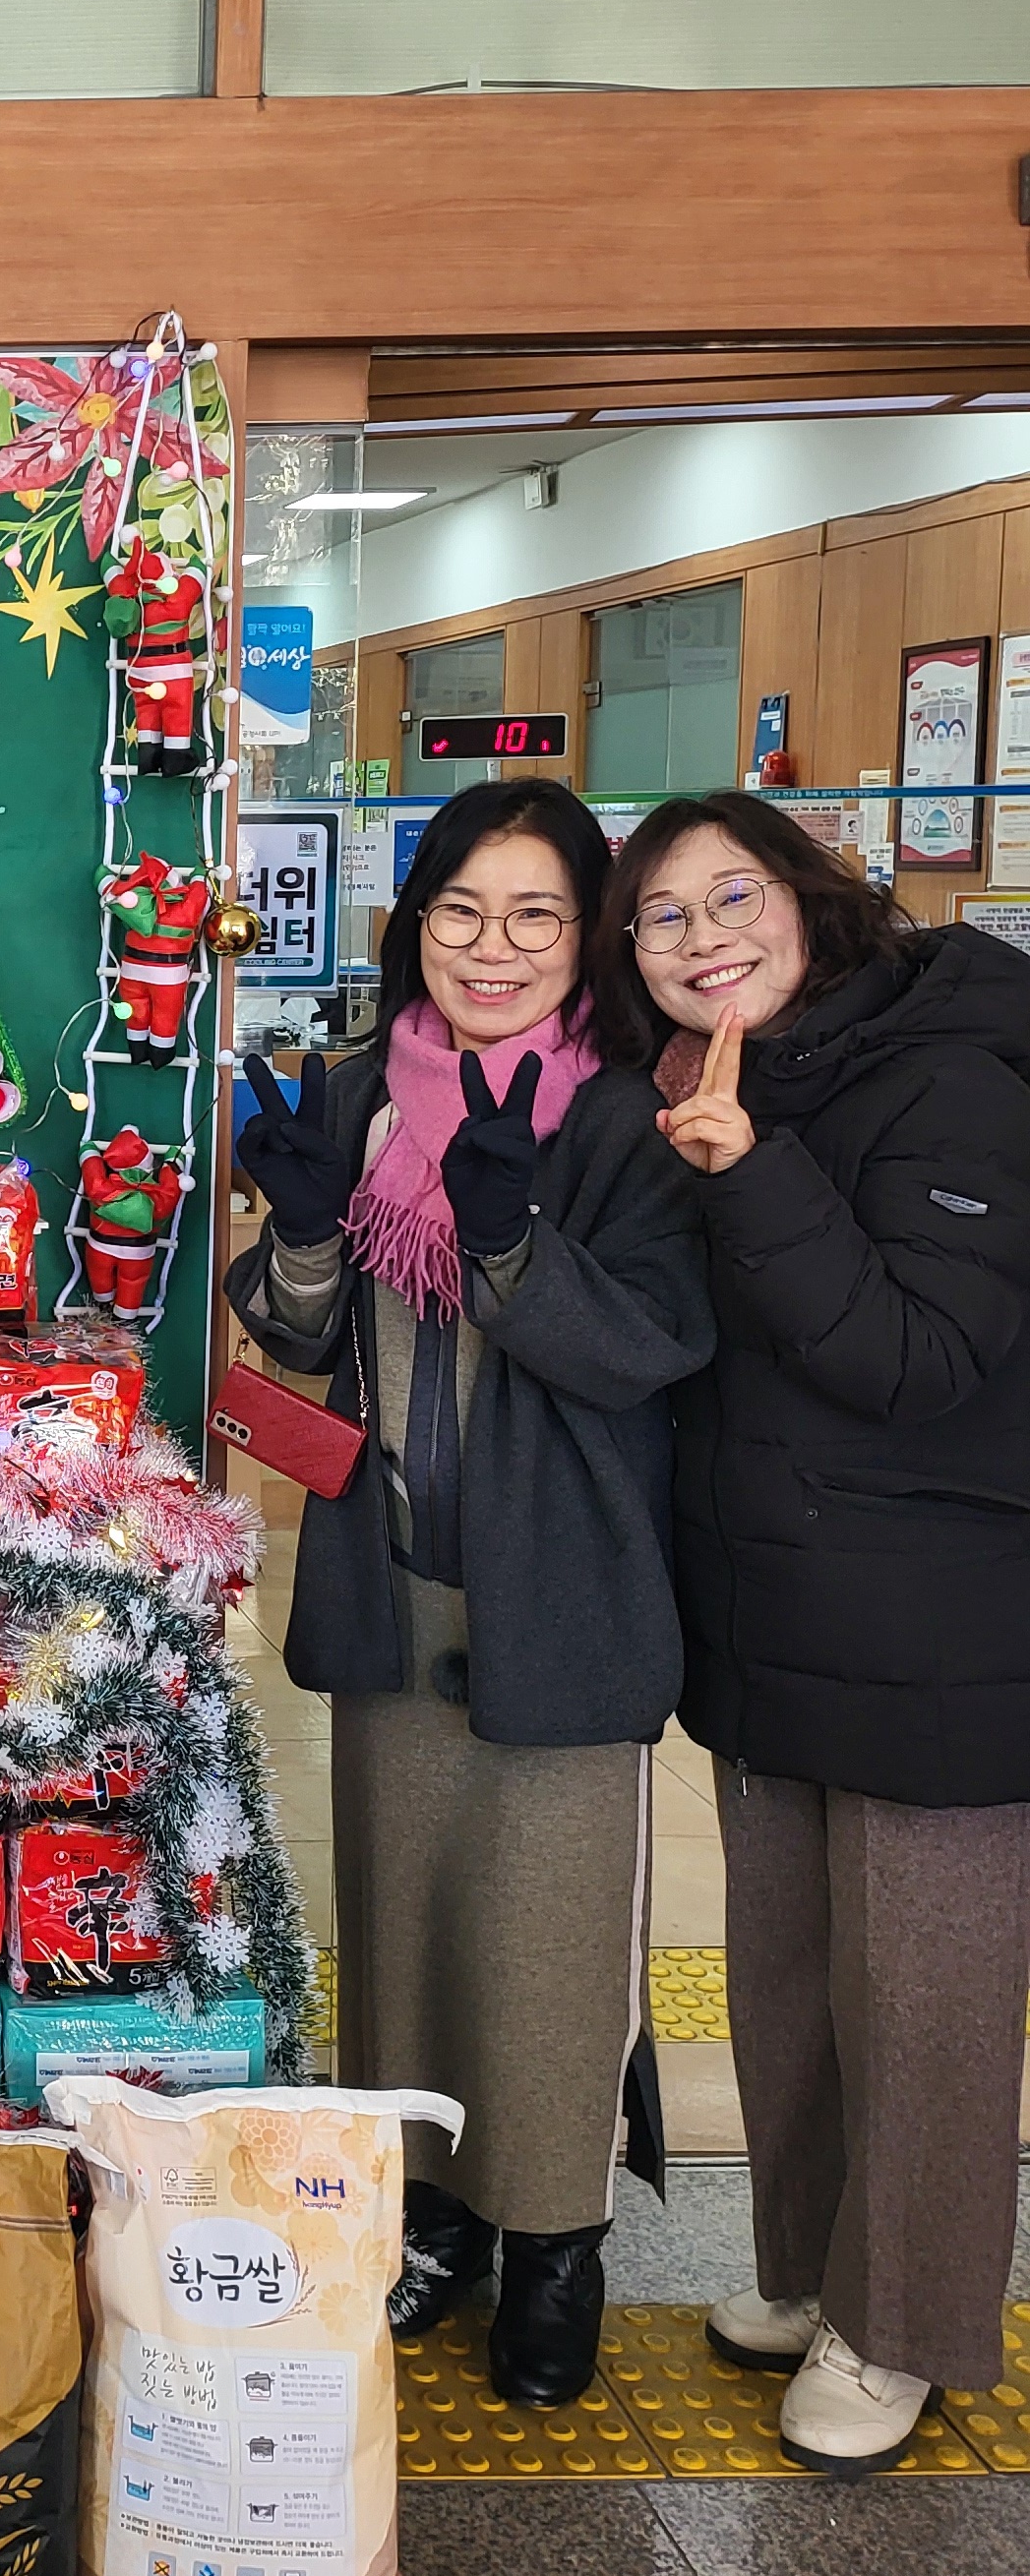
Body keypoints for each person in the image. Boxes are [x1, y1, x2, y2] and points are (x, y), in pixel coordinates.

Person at [229, 779, 712, 2401]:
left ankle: (556, 2240)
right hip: (392, 1569)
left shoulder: (630, 1116)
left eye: (534, 918)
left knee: (553, 1937)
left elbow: (650, 1348)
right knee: (409, 1912)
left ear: (586, 943)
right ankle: (429, 2209)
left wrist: (508, 1242)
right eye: (459, 912)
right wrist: (303, 1234)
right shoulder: (364, 1095)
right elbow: (298, 1349)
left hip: (561, 1588)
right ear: (411, 918)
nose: (490, 950)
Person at [599, 789, 1030, 2469]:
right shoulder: (729, 1080)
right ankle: (809, 2270)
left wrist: (757, 1177)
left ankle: (904, 2324)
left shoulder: (949, 1076)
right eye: (667, 918)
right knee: (788, 1981)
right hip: (774, 1615)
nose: (708, 938)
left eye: (736, 896)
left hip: (942, 1631)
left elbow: (916, 1362)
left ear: (812, 896)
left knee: (924, 1998)